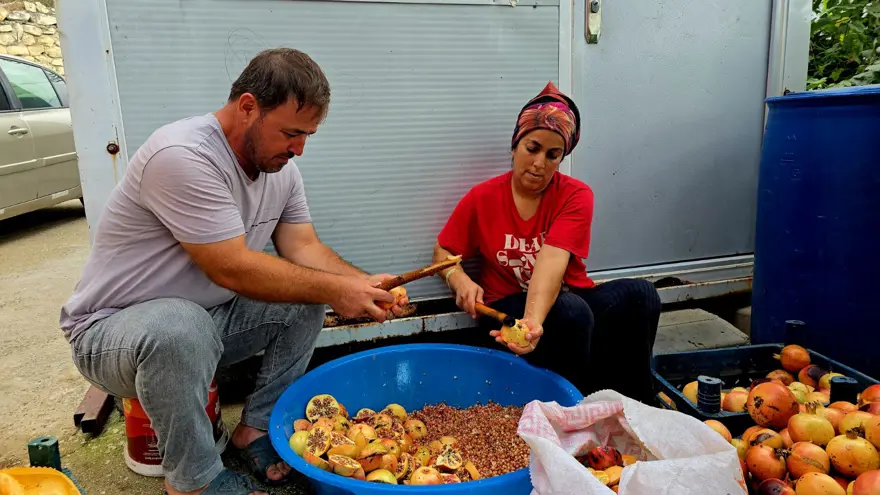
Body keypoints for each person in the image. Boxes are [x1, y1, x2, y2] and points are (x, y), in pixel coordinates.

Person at [59, 48, 408, 495]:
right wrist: (340, 290)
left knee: (304, 301)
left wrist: (360, 283)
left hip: (204, 324)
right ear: (247, 107)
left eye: (307, 136)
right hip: (112, 335)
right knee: (179, 326)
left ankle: (256, 429)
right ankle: (193, 481)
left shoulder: (280, 168)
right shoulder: (182, 155)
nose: (299, 149)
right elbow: (231, 268)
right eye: (291, 133)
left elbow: (303, 247)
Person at [432, 82, 660, 403]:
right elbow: (443, 250)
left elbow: (552, 263)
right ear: (514, 146)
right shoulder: (483, 197)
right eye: (532, 148)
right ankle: (573, 409)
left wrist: (533, 324)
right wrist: (458, 279)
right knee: (571, 312)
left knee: (641, 295)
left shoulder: (576, 196)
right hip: (507, 306)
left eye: (553, 155)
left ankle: (637, 404)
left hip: (558, 303)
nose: (540, 163)